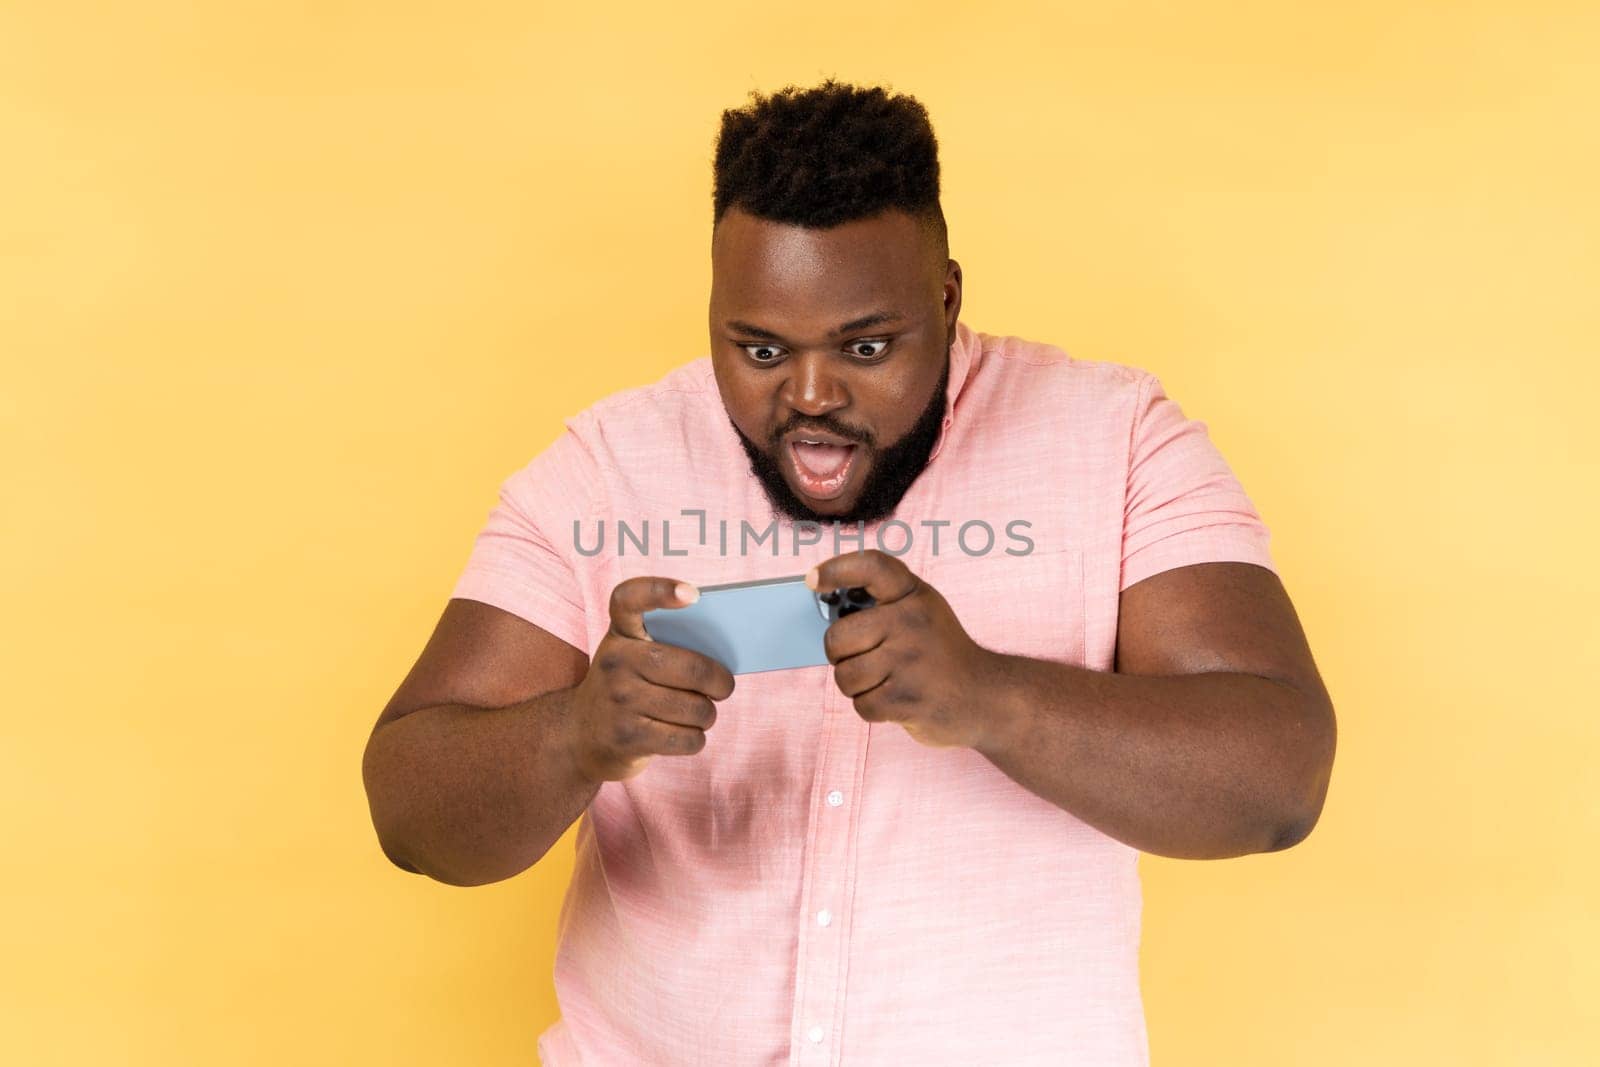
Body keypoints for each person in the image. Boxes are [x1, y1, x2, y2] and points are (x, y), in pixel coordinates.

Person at [362, 79, 1337, 1066]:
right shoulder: (606, 466)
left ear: (947, 297)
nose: (811, 395)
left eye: (865, 345)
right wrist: (573, 734)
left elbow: (1278, 778)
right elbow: (409, 811)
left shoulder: (1117, 440)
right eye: (759, 348)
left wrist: (990, 696)